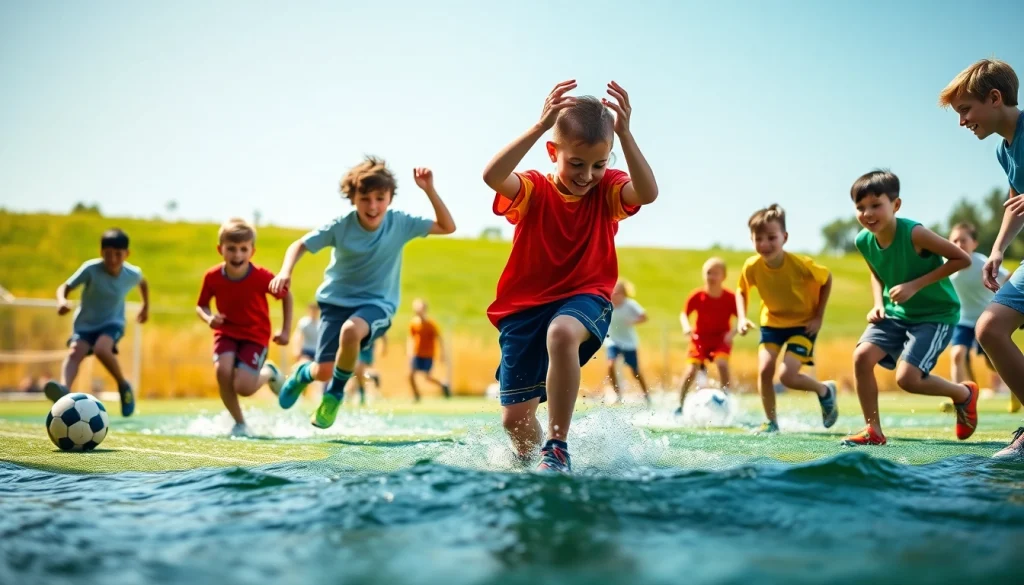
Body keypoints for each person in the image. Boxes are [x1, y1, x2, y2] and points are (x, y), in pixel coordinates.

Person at [482, 80, 659, 473]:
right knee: (515, 422)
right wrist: (539, 125)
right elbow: (493, 176)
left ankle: (557, 446)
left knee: (561, 333)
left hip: (585, 298)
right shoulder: (533, 188)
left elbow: (646, 193)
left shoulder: (609, 189)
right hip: (523, 311)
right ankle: (535, 463)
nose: (588, 175)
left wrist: (626, 135)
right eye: (576, 163)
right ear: (553, 152)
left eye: (599, 164)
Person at [270, 158, 455, 429]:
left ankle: (334, 395)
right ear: (352, 198)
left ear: (390, 198)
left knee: (350, 332)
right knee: (321, 370)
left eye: (380, 198)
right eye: (365, 198)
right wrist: (285, 272)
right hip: (335, 302)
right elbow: (300, 245)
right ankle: (301, 375)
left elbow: (447, 227)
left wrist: (429, 190)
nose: (372, 206)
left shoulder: (400, 223)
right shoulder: (341, 226)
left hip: (377, 304)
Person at [843, 170, 978, 446]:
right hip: (896, 314)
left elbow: (961, 258)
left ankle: (963, 395)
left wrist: (915, 285)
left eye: (875, 205)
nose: (867, 213)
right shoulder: (863, 241)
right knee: (861, 357)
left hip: (935, 315)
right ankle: (873, 430)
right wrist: (878, 304)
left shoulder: (915, 233)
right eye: (860, 207)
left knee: (907, 379)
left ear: (896, 205)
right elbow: (876, 273)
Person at [940, 58, 1024, 458]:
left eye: (965, 110)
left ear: (995, 98)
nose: (962, 122)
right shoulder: (1003, 151)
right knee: (989, 329)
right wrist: (997, 250)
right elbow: (1014, 204)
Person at [735, 204, 838, 434]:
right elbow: (741, 290)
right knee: (764, 371)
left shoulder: (800, 265)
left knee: (788, 377)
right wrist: (742, 318)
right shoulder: (752, 266)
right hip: (771, 324)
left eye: (771, 237)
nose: (764, 244)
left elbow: (827, 279)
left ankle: (824, 391)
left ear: (785, 237)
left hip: (803, 325)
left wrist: (818, 316)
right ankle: (771, 422)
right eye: (758, 238)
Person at [196, 218, 292, 437]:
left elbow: (287, 296)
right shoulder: (212, 277)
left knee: (244, 388)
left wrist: (286, 330)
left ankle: (269, 372)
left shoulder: (261, 277)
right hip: (226, 332)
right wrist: (209, 318)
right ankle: (240, 423)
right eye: (231, 249)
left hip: (255, 336)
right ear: (220, 249)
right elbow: (201, 305)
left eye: (243, 249)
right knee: (222, 371)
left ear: (252, 251)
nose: (237, 255)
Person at [44, 228, 149, 417]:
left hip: (112, 323)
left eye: (118, 254)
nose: (113, 259)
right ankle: (64, 390)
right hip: (85, 326)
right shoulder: (90, 269)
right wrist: (62, 300)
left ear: (127, 254)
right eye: (108, 254)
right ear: (101, 253)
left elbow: (143, 283)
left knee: (101, 349)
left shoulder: (131, 273)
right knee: (75, 351)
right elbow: (65, 287)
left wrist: (145, 307)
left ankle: (123, 385)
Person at [946, 223, 1008, 404]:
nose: (958, 244)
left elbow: (1008, 277)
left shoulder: (983, 263)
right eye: (954, 240)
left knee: (991, 362)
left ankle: (1010, 386)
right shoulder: (947, 266)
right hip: (963, 319)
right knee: (957, 354)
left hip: (986, 319)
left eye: (963, 240)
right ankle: (958, 399)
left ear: (974, 243)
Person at [677, 257, 737, 414]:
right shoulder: (697, 296)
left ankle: (726, 399)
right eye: (708, 273)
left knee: (722, 364)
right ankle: (679, 406)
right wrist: (686, 327)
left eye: (715, 273)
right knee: (691, 370)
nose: (711, 277)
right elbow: (684, 314)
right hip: (699, 339)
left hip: (721, 339)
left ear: (724, 276)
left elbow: (742, 318)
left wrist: (732, 333)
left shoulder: (730, 298)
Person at [605, 279, 651, 405]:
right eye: (613, 292)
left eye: (618, 292)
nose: (615, 295)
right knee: (611, 365)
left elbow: (644, 317)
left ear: (624, 294)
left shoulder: (630, 304)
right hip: (613, 341)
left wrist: (632, 321)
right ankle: (617, 394)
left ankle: (647, 395)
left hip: (628, 343)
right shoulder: (608, 305)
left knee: (635, 371)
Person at [407, 298, 451, 401]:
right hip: (416, 354)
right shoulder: (413, 323)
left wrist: (442, 353)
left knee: (427, 377)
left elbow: (439, 338)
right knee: (410, 375)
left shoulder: (430, 324)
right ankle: (416, 395)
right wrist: (409, 351)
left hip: (428, 354)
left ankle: (443, 385)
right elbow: (410, 338)